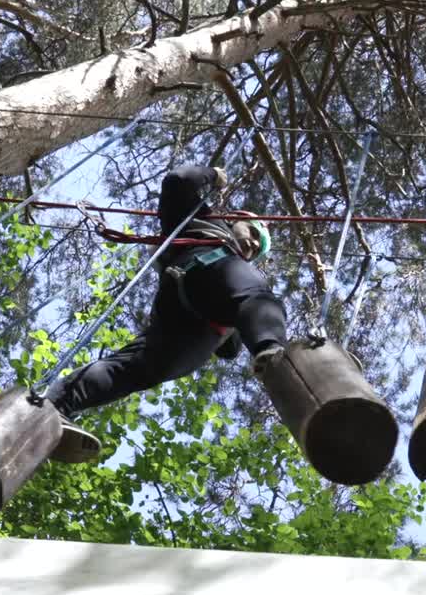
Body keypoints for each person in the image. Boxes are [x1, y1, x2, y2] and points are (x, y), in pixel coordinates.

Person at [44, 163, 288, 441]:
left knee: (134, 369)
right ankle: (278, 358)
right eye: (254, 233)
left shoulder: (240, 274)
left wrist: (243, 325)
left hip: (197, 331)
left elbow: (229, 350)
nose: (254, 246)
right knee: (261, 297)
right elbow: (178, 180)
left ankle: (53, 408)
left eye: (259, 249)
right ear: (233, 219)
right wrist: (213, 174)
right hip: (200, 273)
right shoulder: (201, 219)